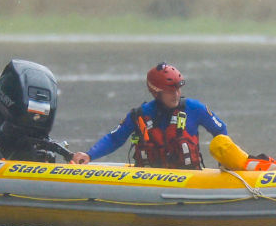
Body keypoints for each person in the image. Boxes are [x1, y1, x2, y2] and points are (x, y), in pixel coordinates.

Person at [70, 62, 228, 169]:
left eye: (178, 89)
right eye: (170, 91)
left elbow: (221, 130)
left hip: (187, 177)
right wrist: (89, 155)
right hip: (148, 180)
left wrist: (224, 161)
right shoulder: (141, 114)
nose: (176, 95)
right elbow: (114, 138)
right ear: (156, 92)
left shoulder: (195, 108)